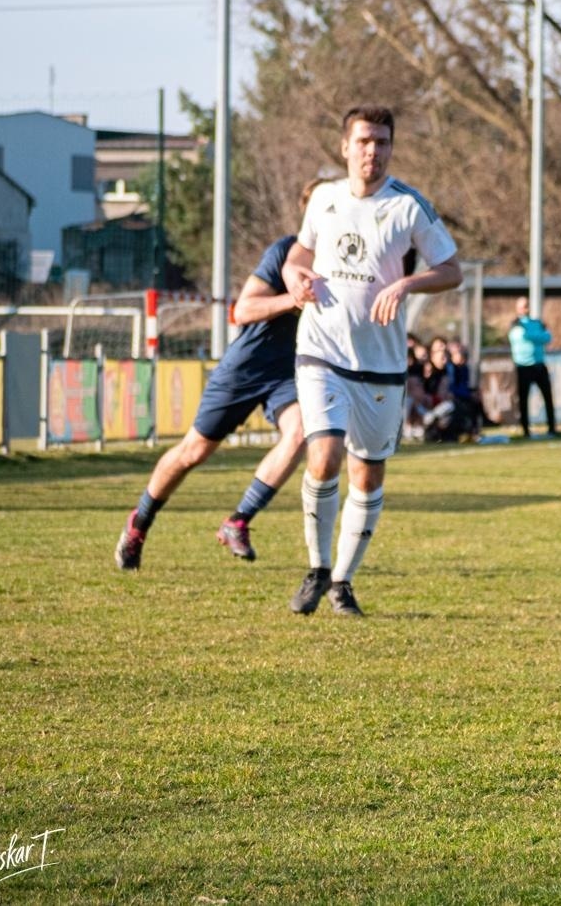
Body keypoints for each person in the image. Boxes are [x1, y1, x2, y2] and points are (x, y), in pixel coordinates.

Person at [282, 105, 462, 616]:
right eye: (363, 141)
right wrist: (294, 276)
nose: (372, 151)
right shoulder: (324, 198)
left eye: (381, 142)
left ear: (391, 148)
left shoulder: (408, 206)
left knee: (367, 475)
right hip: (320, 349)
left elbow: (451, 270)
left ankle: (342, 582)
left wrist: (406, 284)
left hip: (380, 363)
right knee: (324, 455)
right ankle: (317, 568)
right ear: (345, 147)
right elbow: (299, 254)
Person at [114, 182, 320, 569]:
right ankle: (139, 523)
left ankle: (238, 521)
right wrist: (292, 299)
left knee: (300, 432)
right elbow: (243, 310)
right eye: (321, 207)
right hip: (247, 367)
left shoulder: (345, 261)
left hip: (291, 373)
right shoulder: (285, 252)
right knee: (194, 451)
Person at [508, 296, 558, 438]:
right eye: (523, 306)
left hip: (539, 365)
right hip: (523, 366)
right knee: (523, 399)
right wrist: (538, 337)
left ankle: (552, 428)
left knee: (548, 397)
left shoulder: (537, 322)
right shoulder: (516, 324)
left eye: (527, 305)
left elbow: (547, 337)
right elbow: (523, 337)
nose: (526, 308)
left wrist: (535, 337)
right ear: (517, 309)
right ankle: (526, 430)